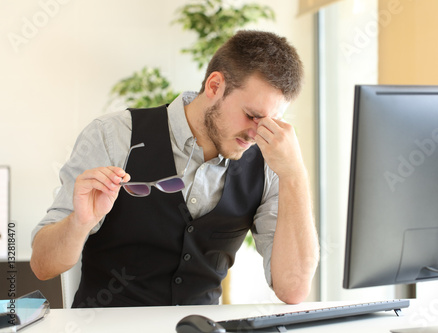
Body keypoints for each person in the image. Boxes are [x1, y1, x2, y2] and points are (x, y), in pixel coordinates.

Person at [30, 30, 319, 308]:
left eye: (270, 122)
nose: (257, 134)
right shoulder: (112, 136)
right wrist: (80, 223)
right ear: (214, 86)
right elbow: (43, 266)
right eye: (252, 116)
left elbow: (293, 289)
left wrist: (295, 175)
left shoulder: (271, 164)